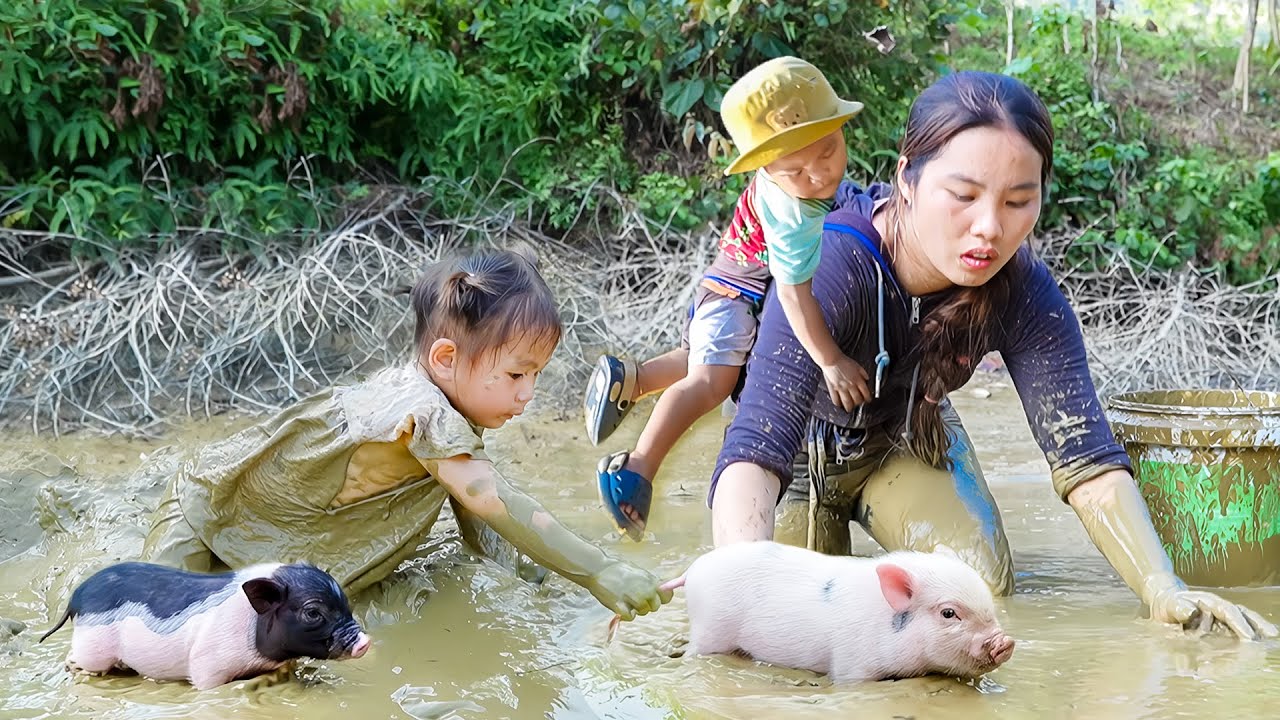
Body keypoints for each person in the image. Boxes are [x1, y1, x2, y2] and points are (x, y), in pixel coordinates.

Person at [707, 70, 1277, 641]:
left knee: (979, 592)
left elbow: (1086, 459)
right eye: (963, 196)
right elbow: (756, 448)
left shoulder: (1025, 291)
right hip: (799, 461)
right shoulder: (831, 267)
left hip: (905, 435)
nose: (989, 229)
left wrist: (1163, 588)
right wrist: (740, 590)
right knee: (798, 625)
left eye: (1018, 202)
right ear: (907, 179)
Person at [139, 247, 670, 621]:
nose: (528, 394)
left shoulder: (439, 414)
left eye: (536, 375)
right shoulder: (423, 411)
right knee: (157, 629)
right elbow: (489, 500)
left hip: (245, 516)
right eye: (514, 374)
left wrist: (534, 582)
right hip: (203, 509)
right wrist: (597, 570)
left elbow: (480, 523)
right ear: (446, 358)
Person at [585, 56, 872, 541]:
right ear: (765, 168)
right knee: (713, 381)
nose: (819, 175)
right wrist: (831, 361)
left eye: (828, 151)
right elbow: (795, 297)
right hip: (739, 292)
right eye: (796, 170)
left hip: (733, 287)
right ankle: (637, 468)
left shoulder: (804, 183)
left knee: (722, 359)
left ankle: (632, 382)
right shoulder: (791, 214)